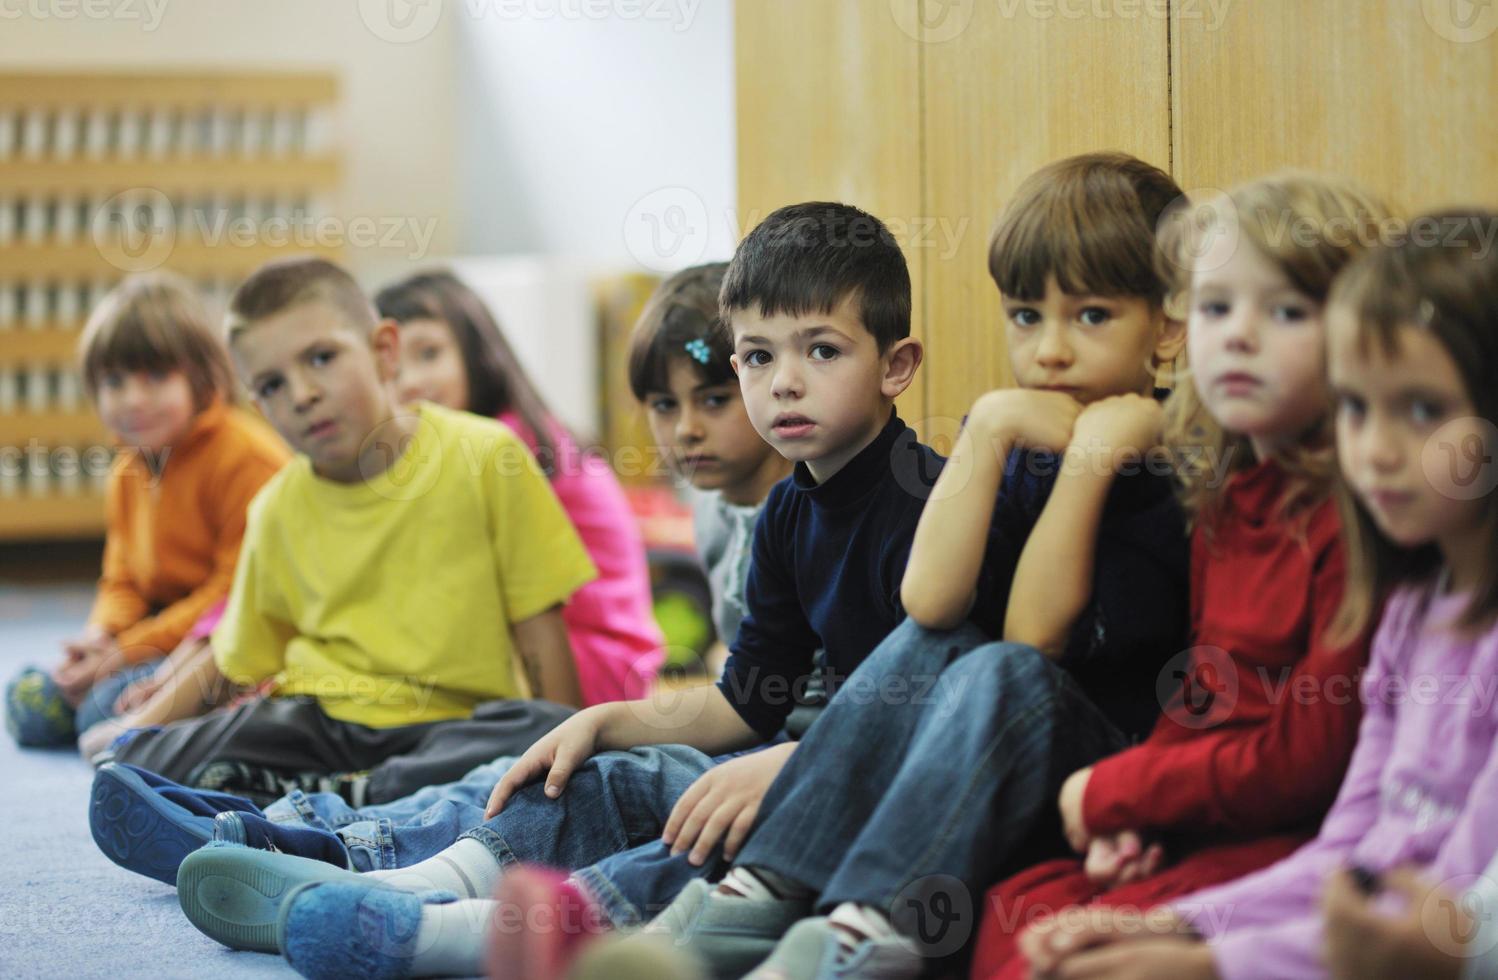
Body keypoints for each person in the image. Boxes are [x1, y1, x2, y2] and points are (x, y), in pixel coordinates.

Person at [5, 272, 287, 750]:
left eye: (156, 377)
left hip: (217, 639)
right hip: (155, 629)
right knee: (31, 700)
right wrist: (100, 636)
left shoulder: (244, 457)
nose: (133, 399)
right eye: (114, 381)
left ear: (202, 377)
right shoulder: (128, 468)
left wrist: (123, 653)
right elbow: (123, 580)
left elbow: (230, 594)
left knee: (100, 705)